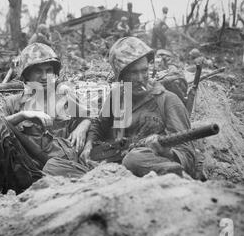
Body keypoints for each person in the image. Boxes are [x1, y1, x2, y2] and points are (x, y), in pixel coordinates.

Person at [0, 43, 91, 197]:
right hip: (21, 171)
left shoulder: (65, 99)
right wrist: (23, 115)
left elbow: (91, 118)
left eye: (48, 71)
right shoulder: (12, 102)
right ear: (26, 76)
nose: (44, 76)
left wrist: (83, 125)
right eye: (38, 71)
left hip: (55, 170)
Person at [80, 37, 195, 178]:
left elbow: (188, 154)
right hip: (112, 164)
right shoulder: (117, 95)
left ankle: (175, 176)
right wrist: (88, 144)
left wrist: (167, 152)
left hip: (148, 163)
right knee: (56, 165)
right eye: (134, 73)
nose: (141, 78)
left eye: (144, 70)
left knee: (133, 159)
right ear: (121, 76)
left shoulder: (167, 100)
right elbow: (99, 124)